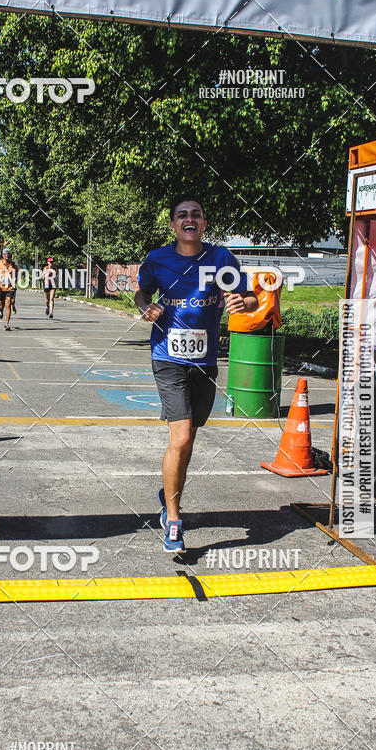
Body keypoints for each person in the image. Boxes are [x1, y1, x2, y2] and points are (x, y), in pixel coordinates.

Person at [135, 194, 258, 554]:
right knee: (182, 435)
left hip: (204, 361)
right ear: (173, 224)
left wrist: (240, 302)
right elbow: (141, 292)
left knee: (189, 438)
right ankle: (173, 519)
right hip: (167, 356)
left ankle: (168, 493)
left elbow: (249, 297)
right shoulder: (158, 259)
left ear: (204, 223)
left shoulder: (220, 258)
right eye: (182, 215)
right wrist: (146, 307)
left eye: (197, 215)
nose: (190, 219)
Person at [0, 247, 18, 331]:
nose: (7, 255)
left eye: (8, 254)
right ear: (3, 255)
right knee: (1, 304)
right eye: (5, 254)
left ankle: (7, 324)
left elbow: (16, 274)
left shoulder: (13, 264)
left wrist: (14, 283)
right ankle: (0, 309)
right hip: (1, 287)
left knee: (9, 304)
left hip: (10, 287)